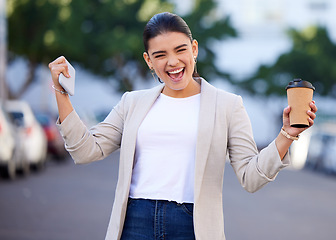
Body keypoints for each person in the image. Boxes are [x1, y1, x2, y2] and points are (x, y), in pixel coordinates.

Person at [48, 12, 317, 240]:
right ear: (148, 61)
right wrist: (61, 93)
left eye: (180, 50)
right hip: (134, 221)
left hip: (193, 225)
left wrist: (287, 135)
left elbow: (251, 177)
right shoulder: (132, 103)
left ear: (194, 49)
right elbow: (85, 151)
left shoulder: (227, 105)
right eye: (160, 55)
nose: (173, 62)